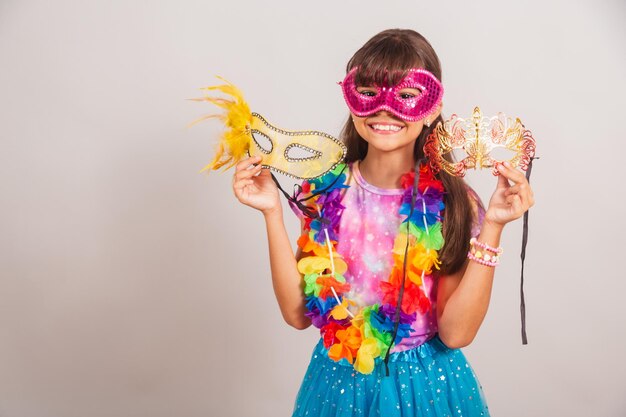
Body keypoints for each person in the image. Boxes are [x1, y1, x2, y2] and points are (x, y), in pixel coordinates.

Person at [231, 29, 534, 417]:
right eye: (369, 93)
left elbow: (456, 333)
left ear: (430, 109)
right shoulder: (324, 192)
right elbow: (296, 314)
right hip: (337, 383)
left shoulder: (451, 204)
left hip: (424, 390)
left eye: (406, 96)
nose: (384, 110)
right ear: (352, 100)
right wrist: (272, 211)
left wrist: (493, 225)